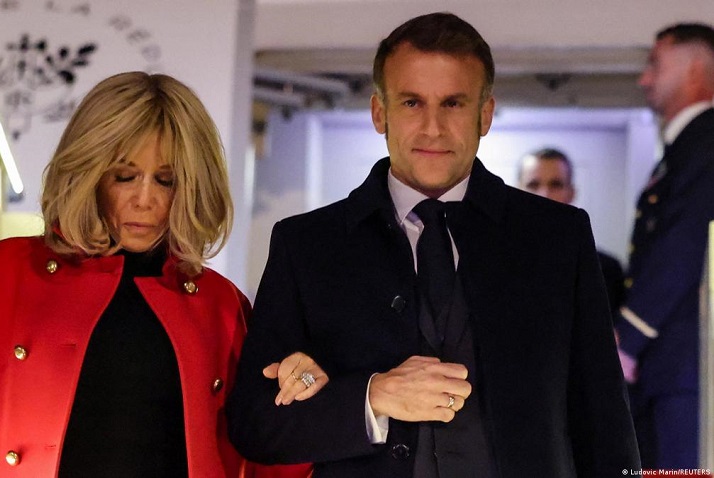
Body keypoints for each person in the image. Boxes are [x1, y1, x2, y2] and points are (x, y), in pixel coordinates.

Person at [227, 12, 639, 477]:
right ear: (379, 112)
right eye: (411, 103)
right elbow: (254, 424)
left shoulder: (557, 237)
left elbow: (605, 425)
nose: (433, 128)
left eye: (453, 103)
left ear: (485, 114)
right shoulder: (307, 244)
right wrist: (371, 396)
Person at [0, 72, 313, 478]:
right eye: (124, 176)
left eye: (166, 181)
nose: (145, 199)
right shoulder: (3, 271)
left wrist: (304, 390)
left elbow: (266, 457)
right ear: (88, 172)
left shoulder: (221, 305)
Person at [616, 22, 714, 469]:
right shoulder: (685, 147)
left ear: (694, 70)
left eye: (655, 64)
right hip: (670, 365)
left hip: (685, 364)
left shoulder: (705, 142)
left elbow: (684, 243)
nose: (644, 78)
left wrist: (629, 336)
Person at [518, 147, 625, 319]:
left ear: (571, 193)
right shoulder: (495, 264)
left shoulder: (606, 270)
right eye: (533, 185)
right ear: (516, 191)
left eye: (555, 185)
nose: (544, 195)